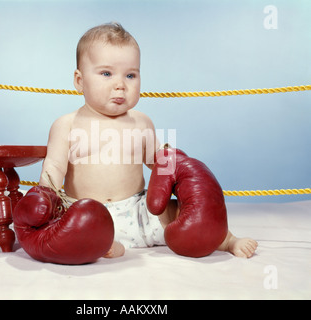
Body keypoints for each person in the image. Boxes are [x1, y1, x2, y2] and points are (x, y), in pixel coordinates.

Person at [39, 22, 258, 259]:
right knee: (66, 230)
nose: (120, 84)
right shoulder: (67, 125)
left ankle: (226, 239)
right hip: (83, 211)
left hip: (138, 211)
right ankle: (103, 244)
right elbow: (53, 169)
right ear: (79, 80)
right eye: (106, 73)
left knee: (182, 213)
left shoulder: (141, 122)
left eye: (130, 75)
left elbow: (160, 165)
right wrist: (45, 207)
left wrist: (180, 169)